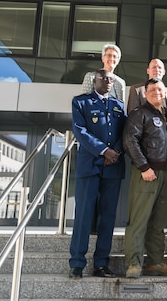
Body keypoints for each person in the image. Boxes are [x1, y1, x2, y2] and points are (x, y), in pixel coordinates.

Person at [69, 69, 126, 279]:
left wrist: (115, 151)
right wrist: (104, 151)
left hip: (113, 166)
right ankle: (77, 263)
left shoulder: (118, 106)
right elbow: (80, 131)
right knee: (83, 216)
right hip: (90, 166)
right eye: (105, 79)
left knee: (107, 218)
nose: (109, 82)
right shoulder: (81, 102)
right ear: (94, 81)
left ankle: (101, 263)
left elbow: (124, 132)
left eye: (111, 79)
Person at [123, 78, 167, 278]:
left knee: (158, 223)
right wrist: (144, 166)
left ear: (165, 93)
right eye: (152, 89)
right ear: (145, 94)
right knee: (139, 220)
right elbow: (130, 140)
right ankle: (134, 263)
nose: (157, 92)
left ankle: (155, 262)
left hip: (166, 175)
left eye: (160, 89)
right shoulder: (140, 114)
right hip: (146, 174)